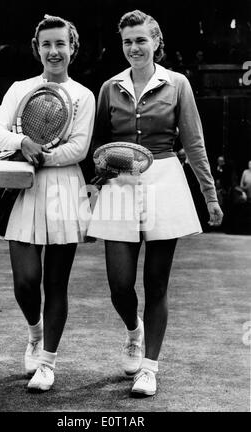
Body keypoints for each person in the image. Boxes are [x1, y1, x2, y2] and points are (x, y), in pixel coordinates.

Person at [87, 10, 223, 397]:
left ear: (156, 42)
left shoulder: (178, 83)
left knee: (156, 283)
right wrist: (101, 172)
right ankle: (133, 332)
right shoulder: (109, 87)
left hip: (166, 181)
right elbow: (97, 145)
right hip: (120, 186)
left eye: (141, 40)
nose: (134, 48)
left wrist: (209, 197)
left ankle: (149, 367)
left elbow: (194, 144)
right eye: (128, 41)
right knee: (119, 285)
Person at [0, 14, 95, 392]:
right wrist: (21, 144)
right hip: (23, 189)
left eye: (60, 44)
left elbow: (79, 148)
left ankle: (47, 362)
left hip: (64, 189)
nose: (54, 51)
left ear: (72, 49)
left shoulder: (84, 95)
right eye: (47, 44)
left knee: (56, 283)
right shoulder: (20, 88)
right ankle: (34, 333)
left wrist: (43, 155)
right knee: (25, 282)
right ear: (38, 49)